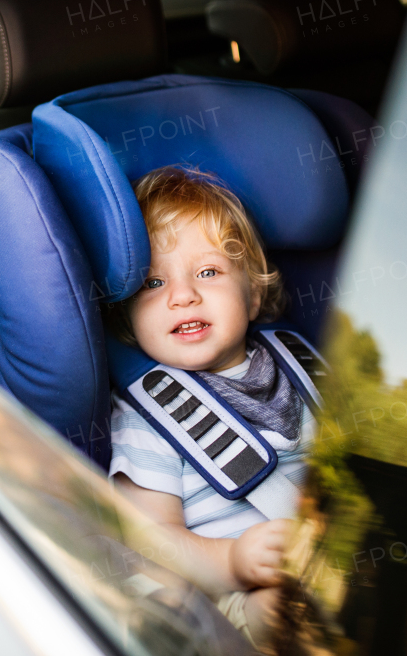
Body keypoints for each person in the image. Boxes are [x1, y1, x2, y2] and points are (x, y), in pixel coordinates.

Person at [106, 165, 314, 652]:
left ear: (254, 291)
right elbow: (150, 540)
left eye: (208, 272)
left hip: (334, 560)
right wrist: (234, 560)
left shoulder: (302, 364)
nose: (183, 295)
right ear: (127, 316)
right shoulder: (147, 419)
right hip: (234, 602)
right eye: (153, 284)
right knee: (283, 613)